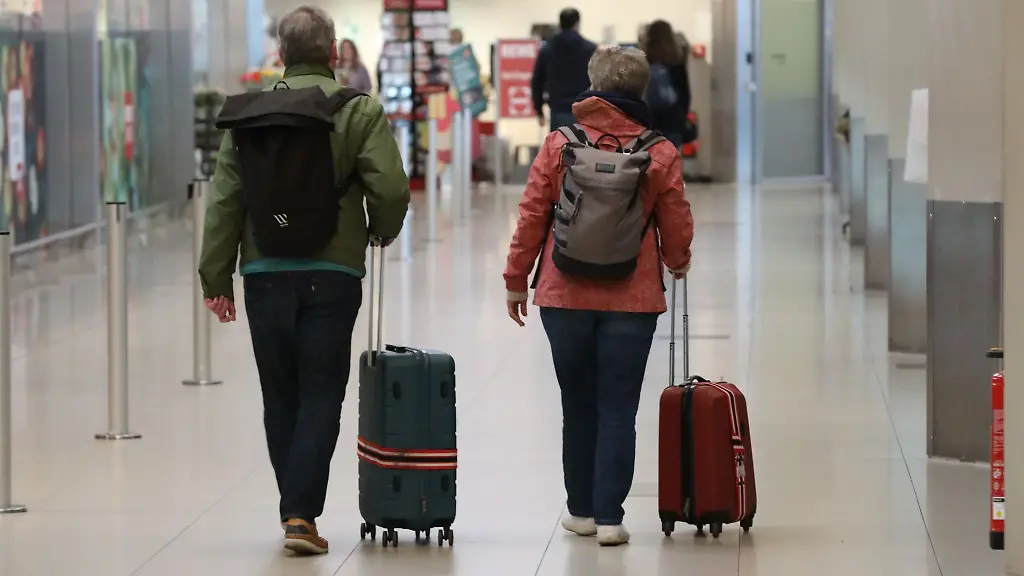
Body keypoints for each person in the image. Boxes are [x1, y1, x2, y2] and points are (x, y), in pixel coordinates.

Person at [198, 5, 410, 556]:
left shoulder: (248, 117)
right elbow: (390, 188)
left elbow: (225, 200)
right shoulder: (358, 110)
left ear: (280, 55)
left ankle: (294, 511)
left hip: (264, 272)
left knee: (280, 396)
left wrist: (215, 276)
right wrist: (380, 232)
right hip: (332, 271)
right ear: (335, 53)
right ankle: (299, 515)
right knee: (321, 393)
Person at [503, 46, 694, 546]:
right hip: (632, 298)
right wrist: (677, 260)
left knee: (578, 403)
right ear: (640, 89)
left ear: (592, 85)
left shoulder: (559, 143)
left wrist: (515, 279)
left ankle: (580, 510)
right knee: (618, 407)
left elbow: (531, 217)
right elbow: (675, 223)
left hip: (564, 296)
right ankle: (611, 517)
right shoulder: (660, 151)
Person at [530, 8, 597, 131]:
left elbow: (537, 81)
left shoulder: (547, 49)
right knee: (584, 148)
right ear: (577, 23)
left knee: (559, 147)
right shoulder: (590, 49)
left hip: (558, 111)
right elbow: (599, 81)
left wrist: (539, 110)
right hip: (584, 111)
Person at [642, 20, 693, 148]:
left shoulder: (644, 62)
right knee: (671, 163)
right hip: (673, 122)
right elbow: (685, 95)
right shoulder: (677, 63)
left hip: (650, 124)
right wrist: (682, 117)